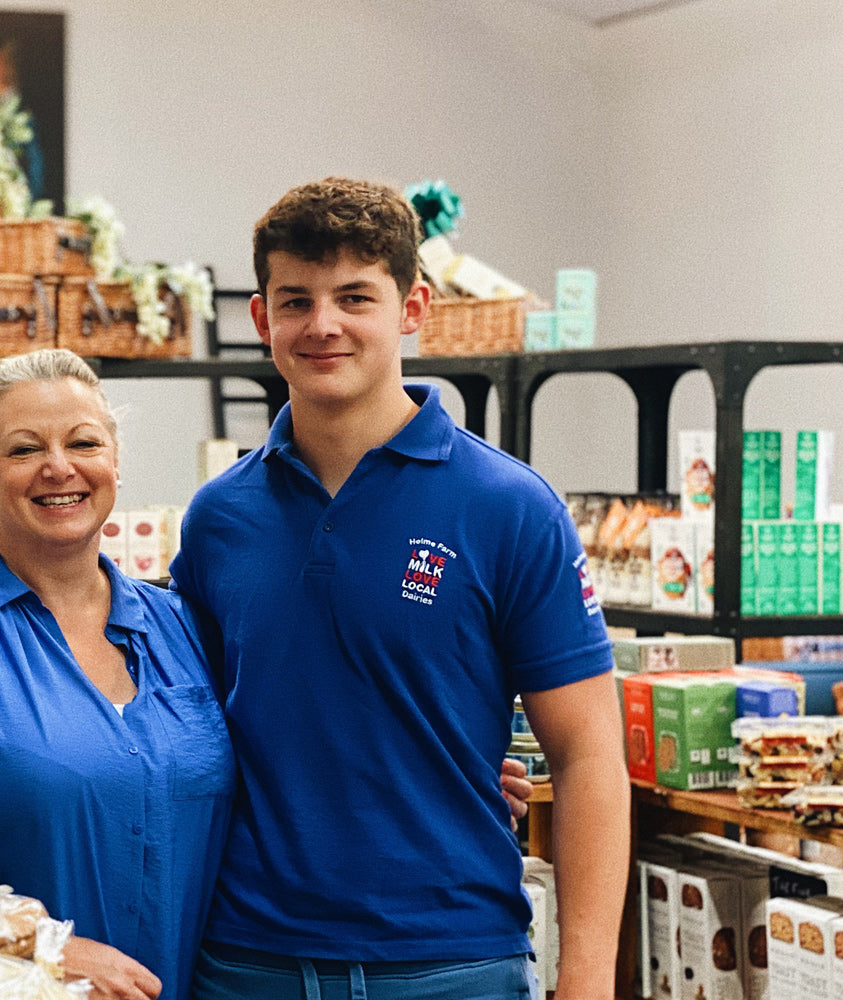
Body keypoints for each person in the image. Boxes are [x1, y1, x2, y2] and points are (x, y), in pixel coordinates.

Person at [0, 348, 539, 1000]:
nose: (59, 467)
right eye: (24, 449)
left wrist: (446, 772)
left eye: (83, 443)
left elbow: (291, 729)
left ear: (115, 462)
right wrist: (43, 943)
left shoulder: (177, 625)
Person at [172, 177, 629, 1000]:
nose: (323, 325)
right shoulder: (218, 519)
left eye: (355, 296)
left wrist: (588, 980)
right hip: (245, 962)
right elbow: (196, 729)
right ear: (260, 318)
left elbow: (591, 756)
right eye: (295, 299)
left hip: (450, 962)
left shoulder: (509, 508)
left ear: (413, 308)